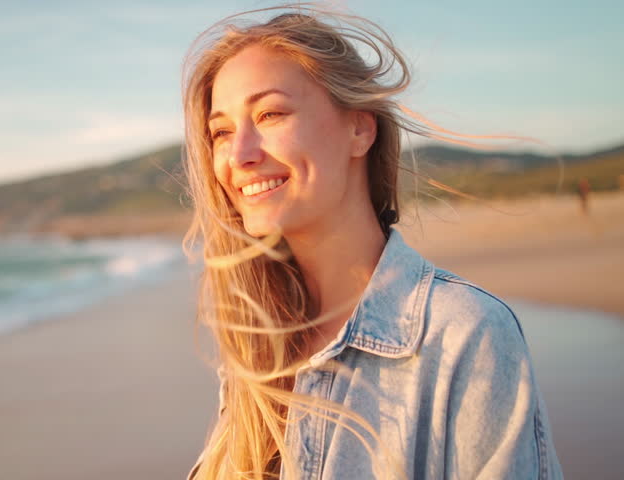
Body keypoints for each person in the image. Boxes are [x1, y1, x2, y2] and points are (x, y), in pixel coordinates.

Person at [181, 6, 563, 480]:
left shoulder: (463, 336)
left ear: (360, 128)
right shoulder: (256, 350)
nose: (240, 155)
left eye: (270, 113)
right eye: (221, 132)